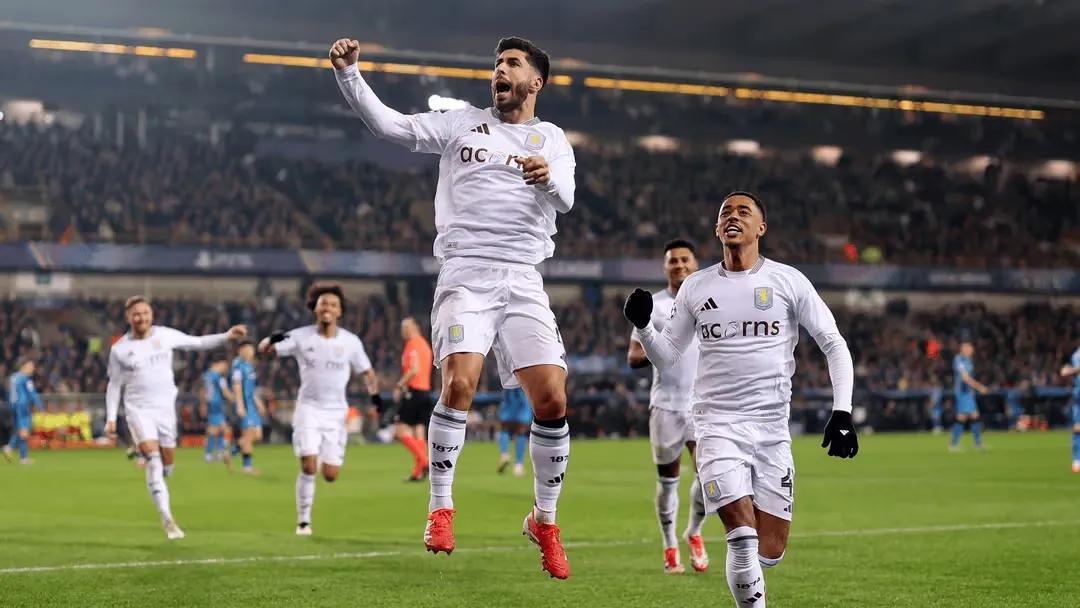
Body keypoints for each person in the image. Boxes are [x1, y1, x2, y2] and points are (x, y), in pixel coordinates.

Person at [330, 35, 575, 578]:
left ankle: (545, 521)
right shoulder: (461, 123)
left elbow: (567, 199)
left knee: (553, 398)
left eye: (512, 63)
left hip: (524, 277)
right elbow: (389, 125)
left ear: (535, 81)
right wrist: (349, 74)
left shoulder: (553, 138)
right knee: (459, 383)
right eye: (497, 63)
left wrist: (547, 178)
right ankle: (440, 507)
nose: (500, 70)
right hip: (467, 273)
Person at [623, 192, 858, 607]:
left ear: (761, 227)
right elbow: (667, 355)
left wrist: (842, 412)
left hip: (771, 430)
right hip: (715, 426)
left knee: (771, 549)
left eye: (743, 212)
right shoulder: (696, 287)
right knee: (743, 538)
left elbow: (833, 343)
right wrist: (644, 326)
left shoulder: (788, 281)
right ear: (718, 229)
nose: (733, 217)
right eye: (725, 213)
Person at [105, 296, 246, 539]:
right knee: (153, 458)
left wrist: (226, 336)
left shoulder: (165, 335)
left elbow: (198, 343)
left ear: (151, 314)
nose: (141, 317)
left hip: (165, 409)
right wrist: (110, 417)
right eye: (136, 314)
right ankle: (168, 519)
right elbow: (114, 384)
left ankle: (161, 476)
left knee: (167, 463)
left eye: (145, 312)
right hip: (138, 409)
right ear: (128, 317)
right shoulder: (119, 349)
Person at [259, 283, 380, 536]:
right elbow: (265, 350)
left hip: (336, 413)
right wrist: (271, 339)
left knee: (330, 474)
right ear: (314, 308)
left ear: (340, 311)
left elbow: (367, 371)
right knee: (308, 466)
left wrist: (375, 397)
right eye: (323, 303)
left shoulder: (350, 342)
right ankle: (303, 521)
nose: (327, 308)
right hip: (308, 409)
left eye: (333, 304)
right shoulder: (300, 336)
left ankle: (327, 458)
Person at [626, 238, 710, 574]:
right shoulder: (654, 306)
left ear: (696, 264)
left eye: (685, 259)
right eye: (673, 261)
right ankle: (669, 544)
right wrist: (663, 349)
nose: (679, 265)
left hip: (703, 404)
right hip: (665, 405)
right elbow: (633, 357)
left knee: (709, 476)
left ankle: (694, 532)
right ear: (665, 267)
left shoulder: (709, 302)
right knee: (668, 481)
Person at [393, 317, 433, 482]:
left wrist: (399, 385)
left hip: (413, 391)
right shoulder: (425, 344)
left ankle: (425, 462)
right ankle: (418, 472)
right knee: (418, 431)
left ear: (415, 327)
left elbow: (414, 369)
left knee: (400, 431)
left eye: (406, 327)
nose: (403, 331)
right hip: (425, 392)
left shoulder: (413, 344)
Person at [950, 340, 990, 451]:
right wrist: (980, 387)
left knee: (972, 415)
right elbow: (965, 378)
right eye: (968, 348)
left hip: (968, 392)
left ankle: (975, 444)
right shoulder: (959, 360)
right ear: (963, 349)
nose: (971, 350)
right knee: (965, 416)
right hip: (962, 392)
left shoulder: (969, 360)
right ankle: (955, 445)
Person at [232, 340, 264, 474]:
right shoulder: (237, 365)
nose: (251, 352)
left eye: (252, 349)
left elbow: (251, 388)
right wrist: (240, 405)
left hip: (251, 405)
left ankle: (231, 452)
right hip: (245, 404)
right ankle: (247, 467)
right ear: (241, 351)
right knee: (249, 435)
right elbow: (237, 385)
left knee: (258, 435)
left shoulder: (249, 366)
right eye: (249, 350)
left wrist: (258, 403)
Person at [4, 358, 44, 464]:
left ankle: (23, 458)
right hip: (23, 407)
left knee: (20, 430)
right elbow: (33, 394)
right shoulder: (25, 378)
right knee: (24, 431)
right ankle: (10, 447)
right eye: (31, 366)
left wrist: (12, 406)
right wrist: (41, 407)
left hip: (14, 406)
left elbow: (9, 393)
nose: (33, 368)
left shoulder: (13, 377)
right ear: (24, 366)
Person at [200, 358, 234, 466]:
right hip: (217, 404)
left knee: (219, 428)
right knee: (216, 429)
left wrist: (203, 404)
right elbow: (225, 391)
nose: (226, 368)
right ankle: (210, 454)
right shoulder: (219, 377)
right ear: (220, 363)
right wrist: (236, 400)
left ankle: (218, 452)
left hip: (210, 403)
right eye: (225, 365)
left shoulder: (206, 375)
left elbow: (203, 391)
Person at [497, 387, 531, 477]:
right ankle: (518, 465)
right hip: (522, 395)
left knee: (504, 428)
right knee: (521, 431)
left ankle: (504, 454)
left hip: (509, 394)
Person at [1059, 345, 1080, 472]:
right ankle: (1077, 460)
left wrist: (1073, 370)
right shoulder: (1076, 354)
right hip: (1079, 395)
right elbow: (1064, 371)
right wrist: (1070, 370)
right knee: (1078, 428)